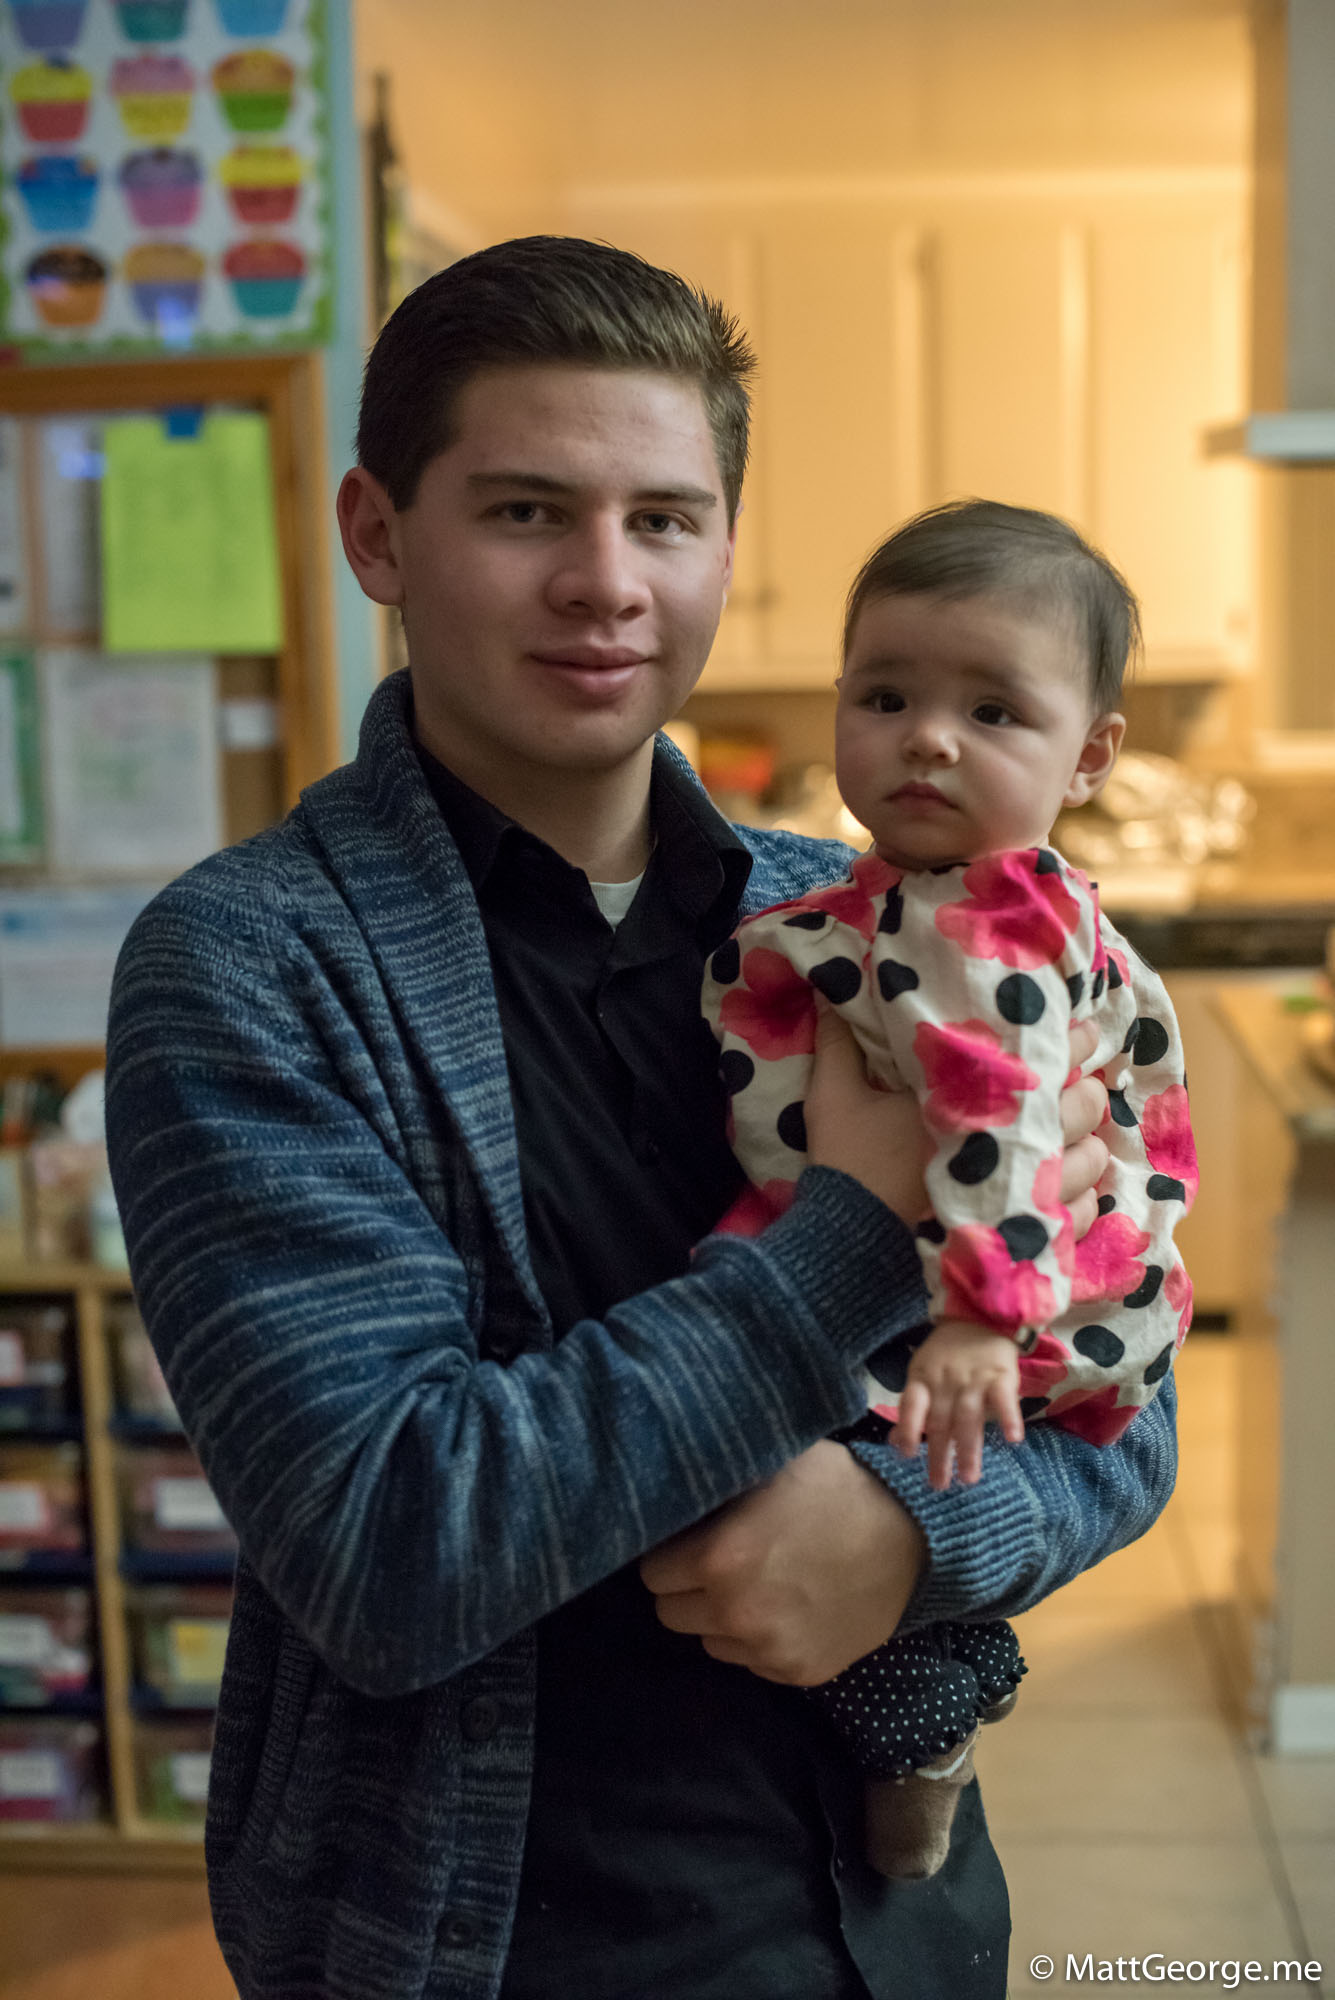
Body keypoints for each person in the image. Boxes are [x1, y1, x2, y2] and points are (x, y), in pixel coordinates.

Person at [104, 237, 1177, 2000]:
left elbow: (1125, 1392)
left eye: (665, 520)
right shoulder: (253, 966)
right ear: (378, 534)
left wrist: (913, 1542)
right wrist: (853, 1229)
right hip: (506, 1936)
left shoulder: (892, 915)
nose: (607, 585)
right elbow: (387, 1545)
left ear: (728, 554)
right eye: (528, 513)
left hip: (898, 1922)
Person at [703, 499, 1197, 1880]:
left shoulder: (997, 927)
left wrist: (985, 1315)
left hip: (998, 1292)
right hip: (970, 1274)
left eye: (993, 710)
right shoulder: (897, 897)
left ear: (1089, 757)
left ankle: (923, 1713)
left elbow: (1009, 1118)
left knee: (827, 1471)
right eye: (888, 694)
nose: (928, 735)